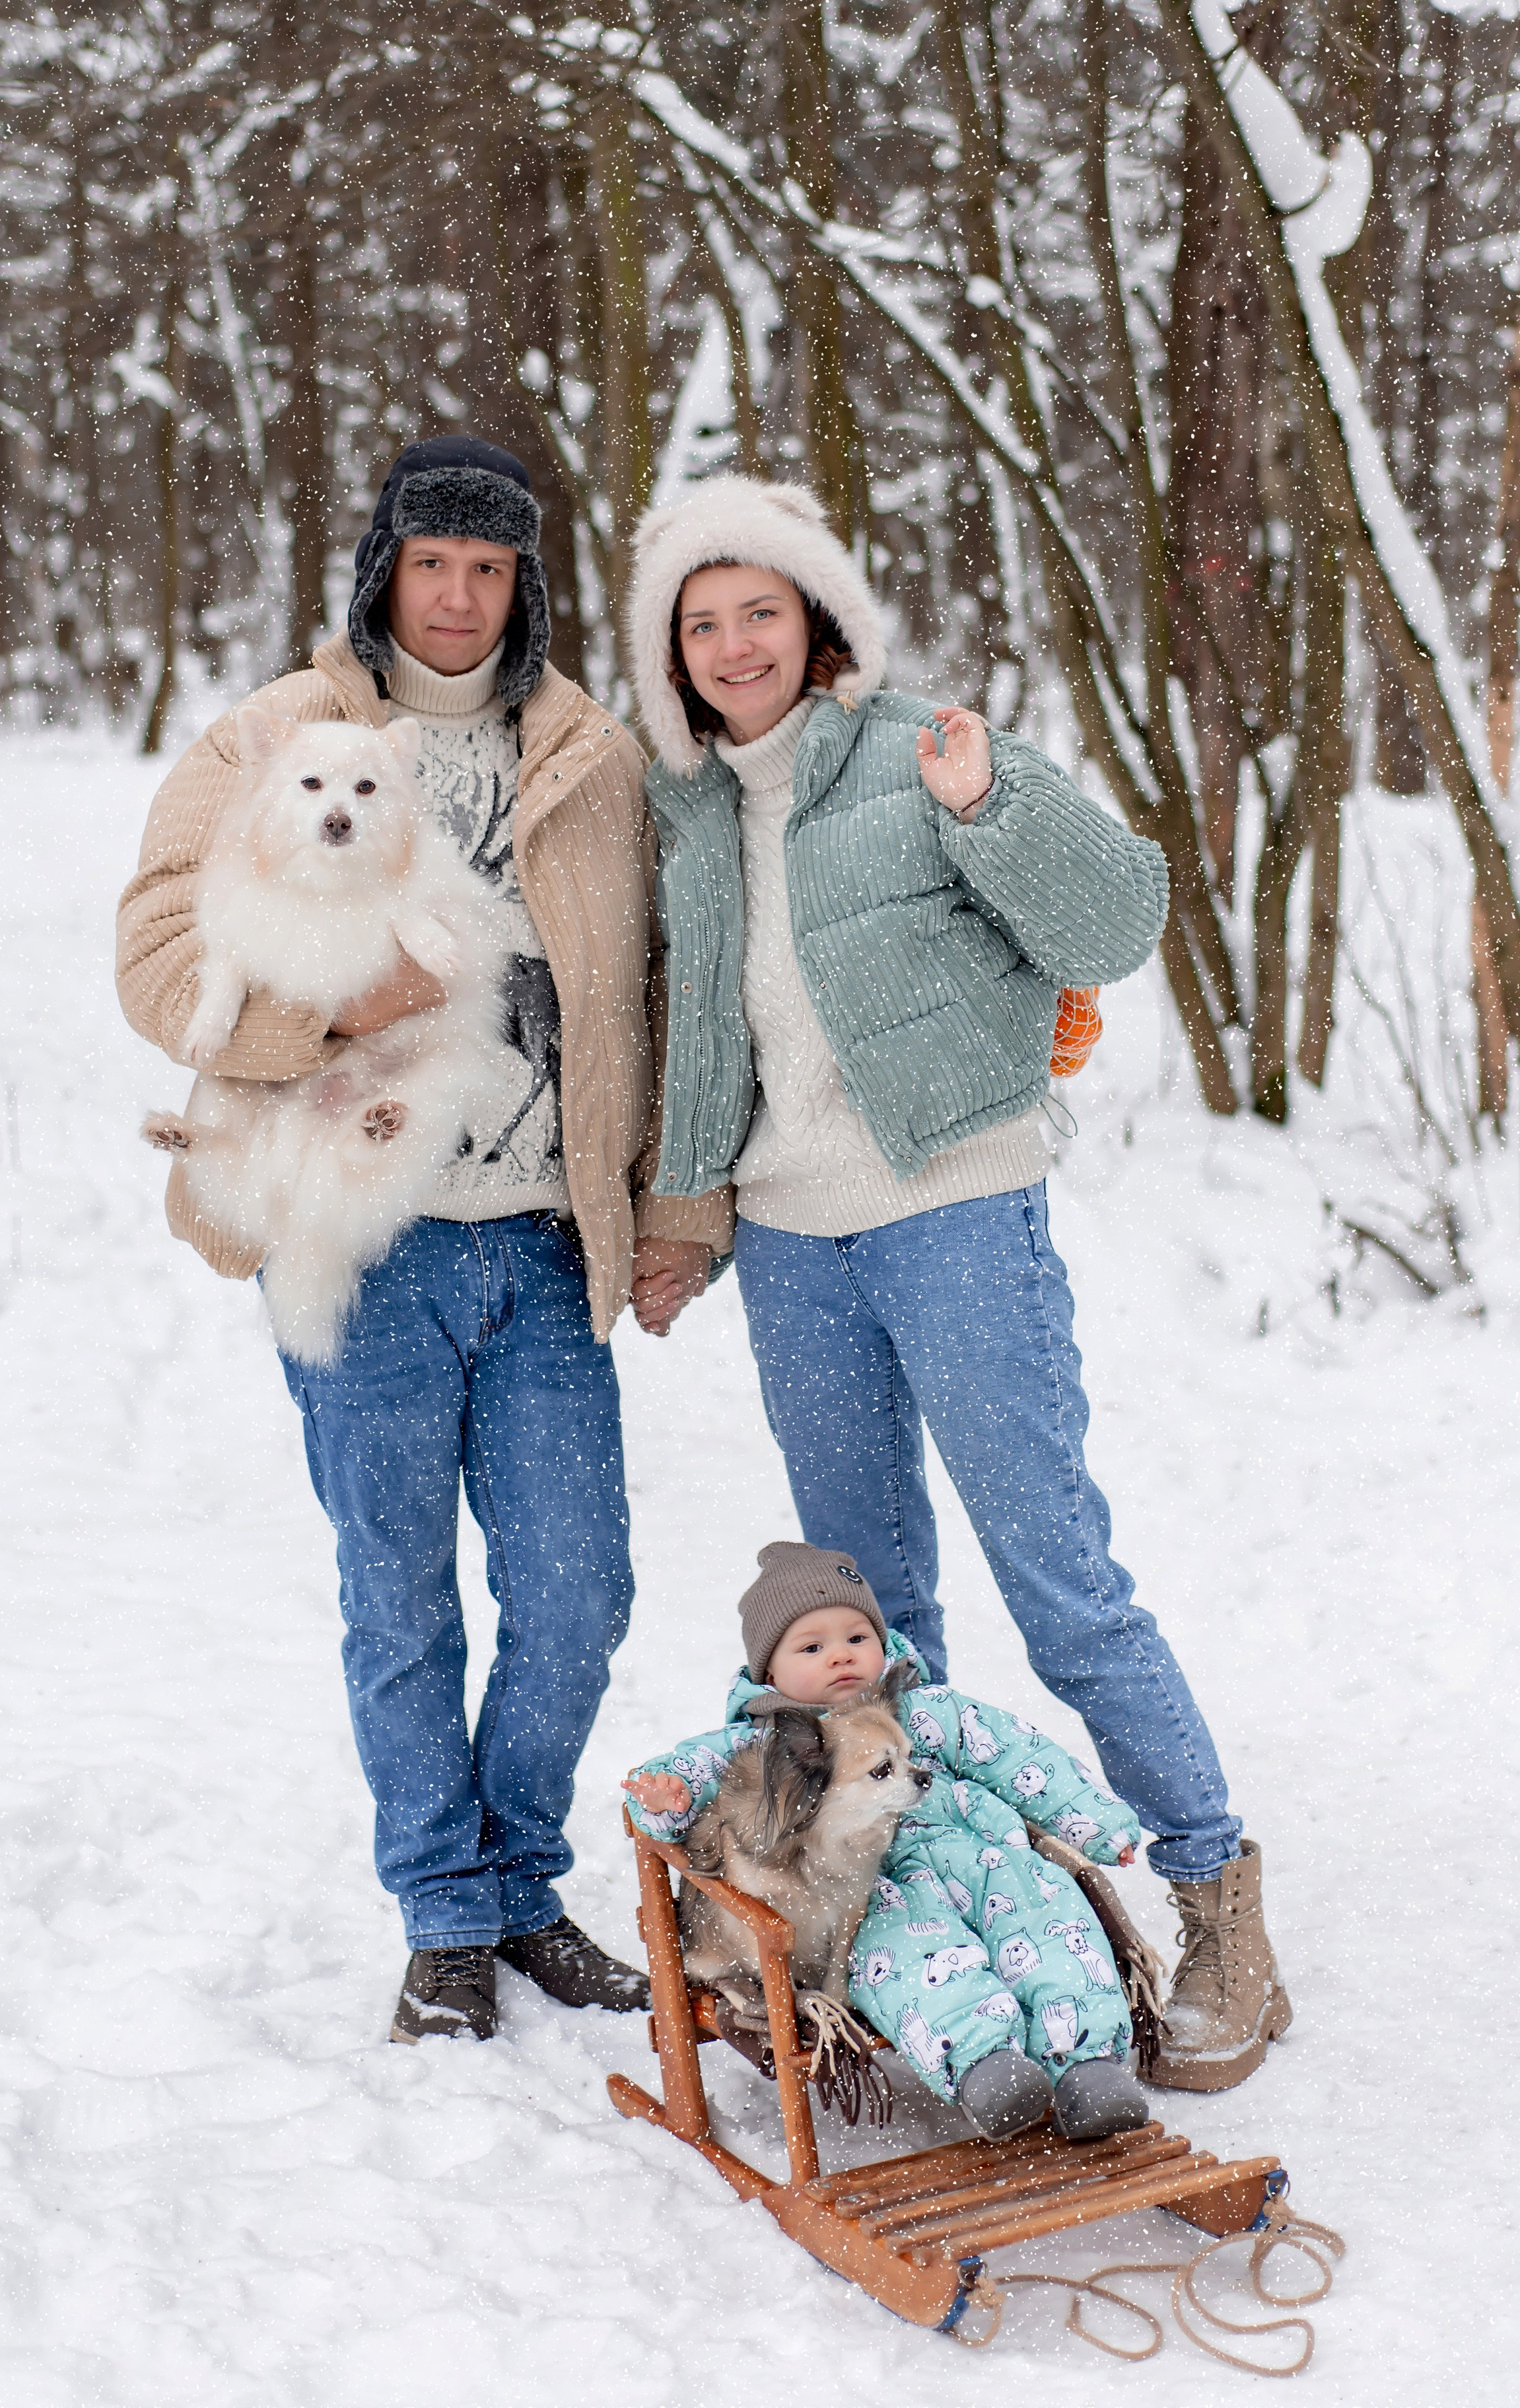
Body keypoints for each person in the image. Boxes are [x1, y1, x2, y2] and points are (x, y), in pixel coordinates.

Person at [625, 477, 1292, 2093]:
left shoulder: (919, 746)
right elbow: (703, 1033)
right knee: (868, 1627)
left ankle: (1215, 1897)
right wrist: (679, 1214)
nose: (731, 645)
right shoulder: (690, 812)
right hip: (792, 1243)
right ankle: (925, 1930)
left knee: (1056, 1571)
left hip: (955, 1211)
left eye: (757, 612)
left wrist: (995, 805)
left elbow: (1115, 914)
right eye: (699, 623)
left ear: (815, 619)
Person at [116, 435, 725, 2045]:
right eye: (428, 561)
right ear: (382, 566)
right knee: (400, 1598)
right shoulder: (277, 735)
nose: (454, 597)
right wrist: (324, 1016)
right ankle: (446, 1915)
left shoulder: (588, 755)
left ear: (524, 585)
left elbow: (653, 995)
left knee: (577, 1589)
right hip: (358, 1231)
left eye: (488, 567)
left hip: (536, 1244)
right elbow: (157, 956)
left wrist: (671, 1206)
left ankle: (523, 1876)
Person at [623, 1540, 1152, 2142]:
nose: (840, 1658)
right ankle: (986, 2066)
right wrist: (667, 1798)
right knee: (909, 1954)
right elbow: (684, 1784)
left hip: (986, 1858)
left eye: (856, 1637)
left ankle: (1089, 2065)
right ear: (770, 1674)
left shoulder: (931, 1711)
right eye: (812, 1647)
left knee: (1048, 1915)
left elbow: (1022, 1756)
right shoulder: (771, 1744)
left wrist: (1099, 1823)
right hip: (878, 1886)